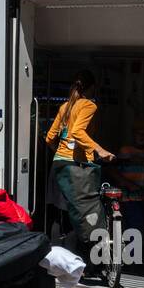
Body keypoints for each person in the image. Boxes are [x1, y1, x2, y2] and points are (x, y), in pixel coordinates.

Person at [44, 70, 114, 264]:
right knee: (80, 216)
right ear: (92, 88)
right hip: (75, 169)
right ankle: (79, 264)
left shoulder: (65, 106)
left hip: (58, 167)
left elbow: (50, 137)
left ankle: (59, 263)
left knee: (61, 216)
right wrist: (99, 150)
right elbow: (77, 132)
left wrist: (60, 153)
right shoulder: (89, 105)